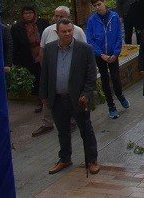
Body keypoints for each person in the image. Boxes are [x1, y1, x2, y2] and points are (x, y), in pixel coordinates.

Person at [39, 18, 100, 176]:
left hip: (78, 99)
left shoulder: (85, 49)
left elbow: (91, 75)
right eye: (63, 31)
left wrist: (86, 94)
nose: (67, 34)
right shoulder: (50, 48)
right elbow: (45, 73)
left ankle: (92, 160)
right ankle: (65, 158)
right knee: (62, 131)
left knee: (86, 130)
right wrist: (44, 95)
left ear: (73, 30)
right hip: (57, 98)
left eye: (69, 31)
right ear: (57, 32)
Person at [34, 7, 86, 137]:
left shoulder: (77, 31)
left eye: (60, 16)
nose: (57, 18)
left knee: (70, 96)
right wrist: (45, 69)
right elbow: (42, 51)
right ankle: (47, 123)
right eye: (56, 16)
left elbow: (85, 52)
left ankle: (72, 120)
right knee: (49, 97)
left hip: (71, 72)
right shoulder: (48, 31)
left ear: (68, 17)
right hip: (52, 72)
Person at [85, 0, 129, 119]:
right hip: (100, 56)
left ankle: (120, 95)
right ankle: (111, 106)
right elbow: (90, 40)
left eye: (99, 4)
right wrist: (101, 54)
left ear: (104, 3)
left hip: (113, 53)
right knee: (105, 79)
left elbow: (119, 36)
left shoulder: (114, 16)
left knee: (115, 77)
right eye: (95, 6)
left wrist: (115, 53)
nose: (97, 7)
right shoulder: (92, 20)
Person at [11, 5, 48, 113]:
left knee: (46, 77)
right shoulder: (17, 27)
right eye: (25, 13)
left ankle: (49, 99)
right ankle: (39, 101)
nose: (27, 15)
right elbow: (15, 45)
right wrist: (16, 62)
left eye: (30, 13)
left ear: (34, 13)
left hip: (44, 55)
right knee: (35, 80)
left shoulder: (43, 23)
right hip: (28, 57)